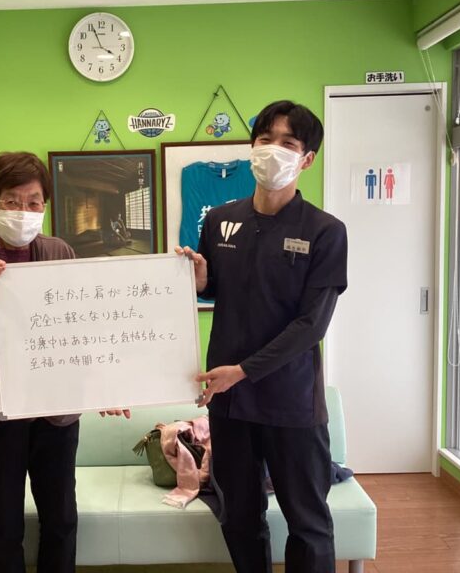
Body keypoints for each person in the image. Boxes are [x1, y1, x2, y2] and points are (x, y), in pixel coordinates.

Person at [0, 151, 128, 573]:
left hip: (53, 415)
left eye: (34, 202)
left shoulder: (59, 251)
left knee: (61, 521)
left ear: (44, 206)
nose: (24, 211)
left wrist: (103, 385)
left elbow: (78, 330)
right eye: (12, 201)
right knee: (1, 529)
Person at [177, 100, 348, 573]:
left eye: (288, 143)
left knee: (308, 523)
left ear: (307, 159)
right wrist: (199, 280)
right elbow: (215, 288)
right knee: (239, 517)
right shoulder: (219, 220)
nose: (273, 150)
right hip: (229, 404)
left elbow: (311, 325)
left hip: (291, 402)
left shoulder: (326, 231)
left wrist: (244, 371)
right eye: (265, 139)